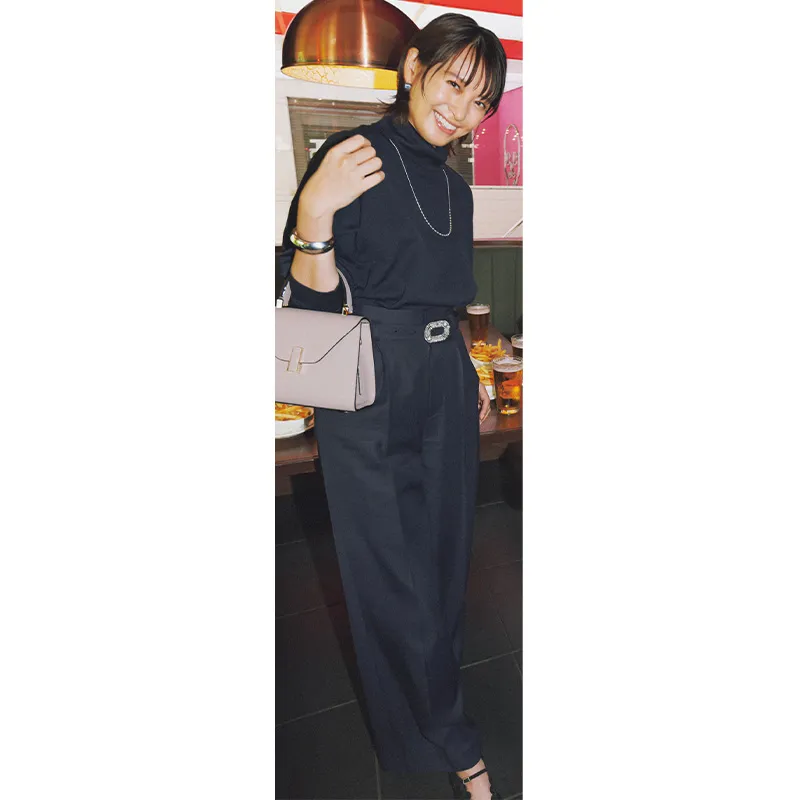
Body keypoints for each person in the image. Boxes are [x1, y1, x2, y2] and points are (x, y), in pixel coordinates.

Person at [278, 13, 508, 799]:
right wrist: (314, 213)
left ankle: (424, 716)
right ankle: (457, 741)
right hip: (369, 379)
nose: (462, 110)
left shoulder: (452, 184)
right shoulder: (354, 156)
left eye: (481, 102)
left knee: (442, 562)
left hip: (443, 377)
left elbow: (448, 296)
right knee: (390, 574)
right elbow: (312, 306)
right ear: (413, 68)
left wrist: (470, 372)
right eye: (454, 84)